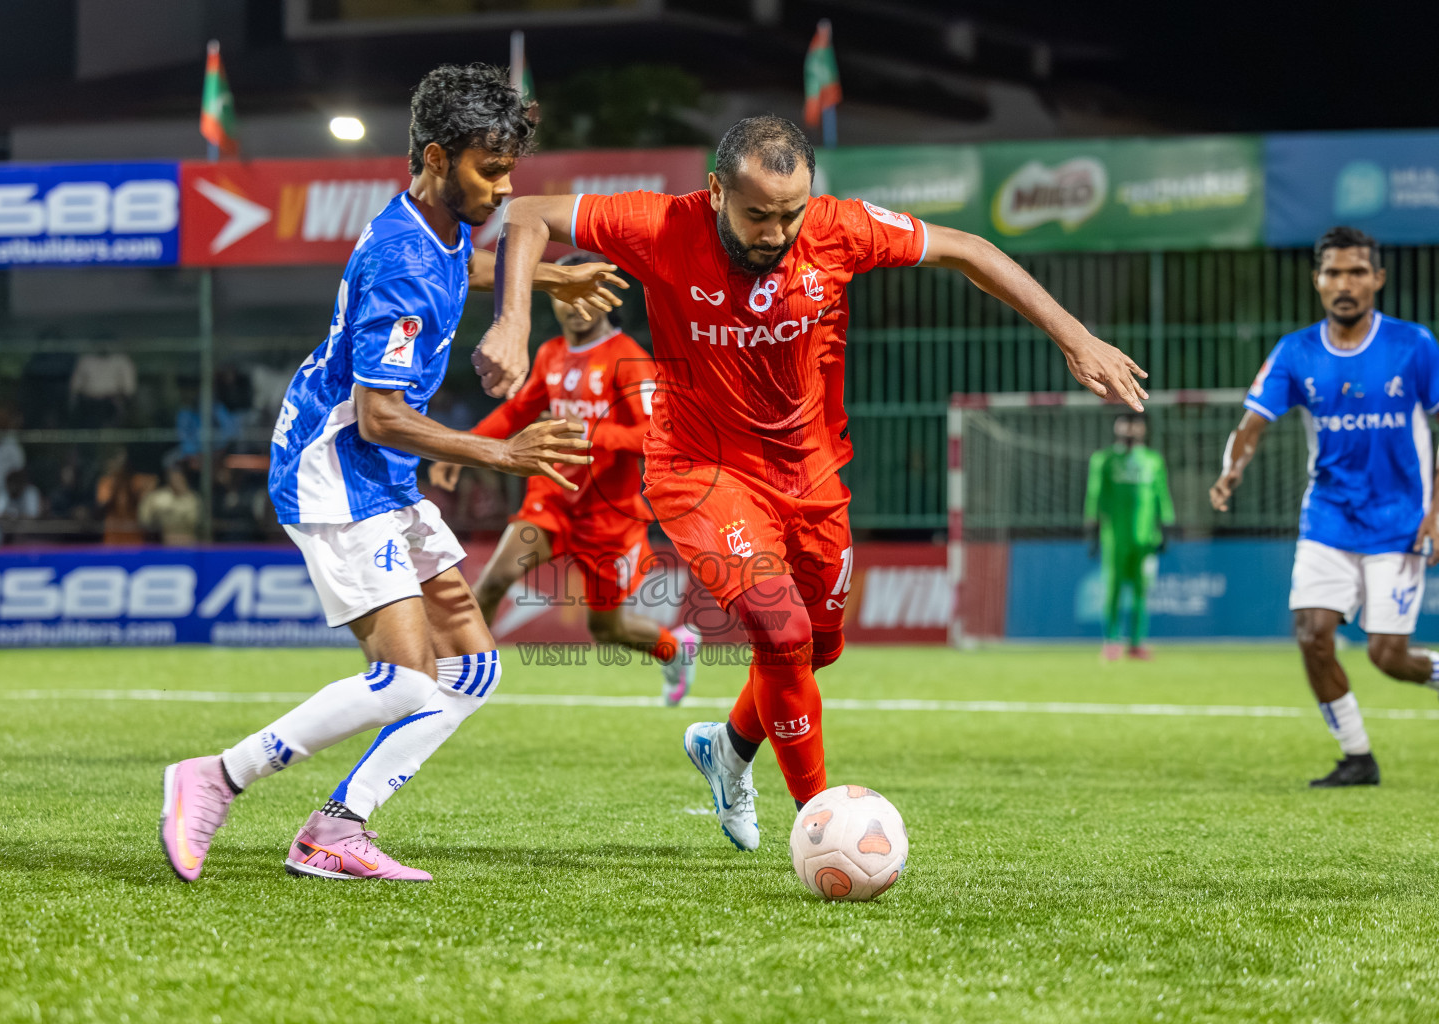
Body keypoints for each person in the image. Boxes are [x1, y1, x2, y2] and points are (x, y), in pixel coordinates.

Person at [485, 114, 1148, 849]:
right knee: (782, 627)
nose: (774, 233)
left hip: (812, 475)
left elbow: (966, 247)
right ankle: (822, 823)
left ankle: (727, 749)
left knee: (815, 651)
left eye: (790, 214)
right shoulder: (658, 224)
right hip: (701, 471)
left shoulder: (842, 230)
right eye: (757, 214)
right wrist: (514, 321)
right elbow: (525, 213)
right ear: (714, 193)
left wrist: (1075, 336)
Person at [159, 64, 625, 884]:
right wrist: (502, 454)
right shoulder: (406, 255)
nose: (504, 189)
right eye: (491, 170)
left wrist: (552, 276)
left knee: (471, 671)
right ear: (439, 157)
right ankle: (217, 777)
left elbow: (464, 269)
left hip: (381, 471)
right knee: (407, 681)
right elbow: (379, 415)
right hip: (336, 466)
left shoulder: (433, 228)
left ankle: (336, 830)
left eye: (511, 170)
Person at [1211, 225, 1439, 788]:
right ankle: (1357, 756)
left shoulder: (1414, 345)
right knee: (1312, 634)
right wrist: (1231, 467)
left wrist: (1437, 510)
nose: (1345, 283)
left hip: (1400, 521)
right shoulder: (1295, 351)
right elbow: (1252, 424)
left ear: (1378, 279)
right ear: (1317, 281)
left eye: (1357, 272)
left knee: (1389, 657)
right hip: (1329, 519)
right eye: (1333, 272)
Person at [429, 253, 699, 706]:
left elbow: (658, 439)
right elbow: (518, 410)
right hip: (550, 500)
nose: (574, 306)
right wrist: (465, 446)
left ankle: (676, 647)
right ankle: (457, 684)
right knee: (492, 582)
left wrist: (596, 434)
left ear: (605, 301)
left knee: (606, 628)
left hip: (606, 517)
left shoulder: (629, 360)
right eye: (562, 295)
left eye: (584, 296)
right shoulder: (551, 354)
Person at [1085, 412, 1175, 661]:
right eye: (1125, 423)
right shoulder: (1104, 460)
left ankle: (1136, 643)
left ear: (1144, 429)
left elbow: (1161, 494)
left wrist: (1166, 525)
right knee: (1112, 589)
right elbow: (1095, 494)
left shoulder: (1153, 460)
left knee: (1141, 591)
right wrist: (1092, 528)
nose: (1130, 429)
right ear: (1116, 426)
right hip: (1114, 537)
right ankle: (1111, 641)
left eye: (1135, 424)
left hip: (1146, 539)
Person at [139, 466, 201, 545]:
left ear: (184, 478)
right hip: (166, 543)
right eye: (173, 477)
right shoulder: (158, 498)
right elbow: (145, 519)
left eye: (179, 477)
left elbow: (196, 521)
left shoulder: (192, 499)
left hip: (189, 543)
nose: (176, 480)